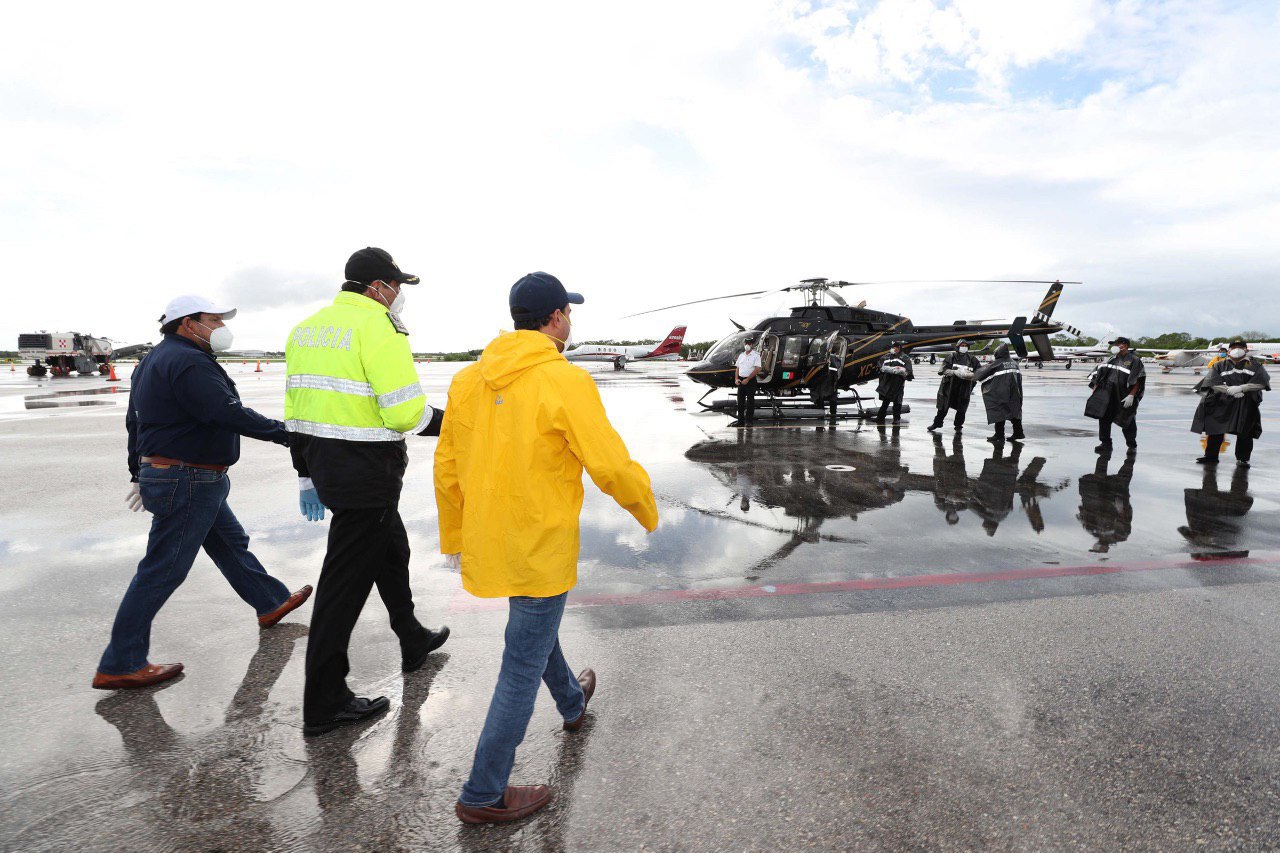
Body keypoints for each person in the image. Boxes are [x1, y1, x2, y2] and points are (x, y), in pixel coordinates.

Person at [435, 271, 658, 824]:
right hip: (539, 543)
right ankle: (483, 792)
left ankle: (571, 702)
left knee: (532, 631)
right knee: (519, 661)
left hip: (492, 541)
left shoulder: (467, 381)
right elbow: (607, 461)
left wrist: (457, 538)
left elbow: (447, 468)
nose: (570, 322)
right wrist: (645, 509)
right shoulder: (564, 379)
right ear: (555, 318)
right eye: (568, 313)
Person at [93, 296, 311, 690]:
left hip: (180, 475)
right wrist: (289, 435)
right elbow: (224, 411)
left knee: (230, 543)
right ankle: (120, 662)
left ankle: (270, 601)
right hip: (188, 478)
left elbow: (134, 422)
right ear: (187, 323)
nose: (220, 327)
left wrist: (137, 471)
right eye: (213, 320)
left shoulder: (154, 360)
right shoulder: (189, 361)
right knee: (162, 570)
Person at [285, 247, 450, 737]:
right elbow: (403, 413)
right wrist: (456, 425)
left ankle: (411, 636)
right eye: (396, 286)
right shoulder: (378, 326)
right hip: (366, 472)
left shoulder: (307, 329)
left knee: (390, 547)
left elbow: (295, 408)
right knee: (342, 587)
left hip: (327, 464)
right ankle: (324, 701)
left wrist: (305, 474)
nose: (398, 296)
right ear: (377, 287)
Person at [1191, 338, 1270, 467]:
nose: (1236, 350)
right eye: (1233, 347)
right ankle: (1211, 456)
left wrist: (1242, 388)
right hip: (1221, 402)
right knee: (1215, 428)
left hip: (1245, 402)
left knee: (1245, 431)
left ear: (1246, 350)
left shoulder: (1255, 365)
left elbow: (1261, 383)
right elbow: (1212, 383)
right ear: (1229, 351)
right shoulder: (1219, 365)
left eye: (1240, 347)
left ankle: (1243, 459)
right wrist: (1229, 390)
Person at [1085, 336, 1145, 453]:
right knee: (1104, 418)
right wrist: (1095, 391)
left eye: (1117, 344)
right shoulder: (1111, 359)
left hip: (1124, 396)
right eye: (1114, 345)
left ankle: (1131, 445)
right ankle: (1105, 443)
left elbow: (1138, 379)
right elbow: (1099, 375)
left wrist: (1132, 395)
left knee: (1127, 419)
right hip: (1107, 395)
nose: (1115, 347)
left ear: (1125, 345)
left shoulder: (1134, 360)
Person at [975, 343, 1024, 443]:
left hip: (1001, 391)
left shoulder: (997, 363)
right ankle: (1019, 433)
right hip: (1015, 392)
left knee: (999, 412)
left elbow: (981, 373)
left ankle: (999, 435)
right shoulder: (1014, 363)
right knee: (1015, 412)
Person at [927, 339, 979, 433]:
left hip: (964, 387)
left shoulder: (972, 359)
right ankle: (937, 423)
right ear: (958, 347)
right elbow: (942, 370)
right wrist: (954, 372)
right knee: (943, 407)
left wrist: (972, 375)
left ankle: (958, 426)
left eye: (965, 345)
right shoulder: (951, 357)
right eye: (962, 345)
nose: (964, 347)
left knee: (962, 408)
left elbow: (979, 372)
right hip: (950, 387)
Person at [874, 340, 913, 423]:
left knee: (897, 401)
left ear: (898, 348)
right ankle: (880, 417)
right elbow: (879, 366)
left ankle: (896, 418)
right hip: (887, 382)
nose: (892, 349)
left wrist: (901, 371)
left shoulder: (904, 358)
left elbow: (908, 371)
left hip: (898, 382)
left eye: (893, 347)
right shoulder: (886, 356)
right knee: (885, 401)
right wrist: (884, 369)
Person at [734, 337, 762, 422]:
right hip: (741, 381)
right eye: (746, 343)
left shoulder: (756, 355)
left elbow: (758, 369)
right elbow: (737, 368)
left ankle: (749, 421)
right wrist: (736, 379)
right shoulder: (741, 355)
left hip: (750, 381)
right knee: (740, 402)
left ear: (752, 345)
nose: (747, 345)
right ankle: (740, 421)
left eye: (749, 343)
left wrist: (748, 379)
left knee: (750, 402)